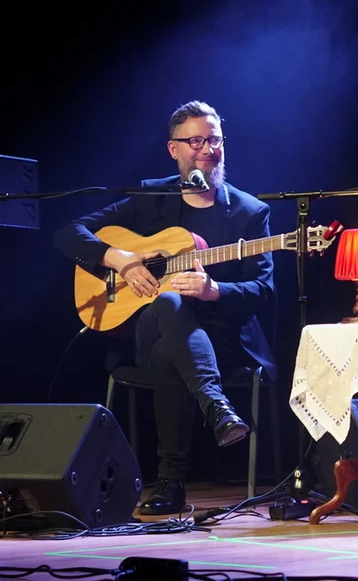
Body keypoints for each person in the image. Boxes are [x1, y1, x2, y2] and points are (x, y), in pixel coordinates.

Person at [55, 100, 276, 515]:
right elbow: (70, 232)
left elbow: (264, 289)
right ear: (173, 149)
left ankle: (170, 483)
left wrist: (215, 291)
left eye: (215, 140)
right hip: (144, 327)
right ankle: (217, 407)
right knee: (168, 306)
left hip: (221, 336)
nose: (207, 149)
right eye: (196, 140)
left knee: (167, 346)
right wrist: (118, 259)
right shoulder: (150, 198)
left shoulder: (250, 212)